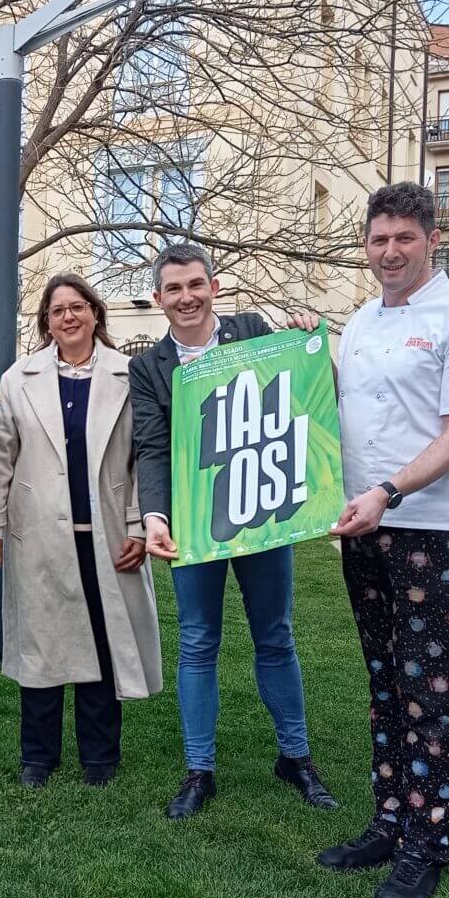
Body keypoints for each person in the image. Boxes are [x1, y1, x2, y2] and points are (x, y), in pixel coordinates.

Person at [319, 182, 449, 898]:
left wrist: (389, 493)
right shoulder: (362, 320)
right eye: (378, 239)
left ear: (432, 239)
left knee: (433, 694)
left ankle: (427, 845)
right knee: (385, 685)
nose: (390, 251)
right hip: (366, 531)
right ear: (365, 247)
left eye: (404, 238)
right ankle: (391, 820)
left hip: (429, 532)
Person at [129, 242, 338, 820]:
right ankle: (199, 770)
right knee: (198, 642)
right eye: (173, 289)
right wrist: (155, 517)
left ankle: (295, 757)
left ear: (213, 287)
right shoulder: (149, 367)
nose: (186, 297)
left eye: (195, 284)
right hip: (197, 524)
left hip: (263, 510)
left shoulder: (251, 329)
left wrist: (306, 337)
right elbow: (152, 448)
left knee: (275, 635)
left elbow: (307, 393)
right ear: (159, 299)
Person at [0, 273, 163, 788]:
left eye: (78, 307)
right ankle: (38, 757)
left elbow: (148, 456)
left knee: (102, 645)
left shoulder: (131, 374)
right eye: (58, 311)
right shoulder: (19, 379)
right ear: (46, 322)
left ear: (96, 314)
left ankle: (99, 758)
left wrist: (140, 526)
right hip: (37, 534)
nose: (69, 318)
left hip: (109, 534)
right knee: (42, 648)